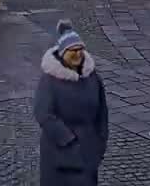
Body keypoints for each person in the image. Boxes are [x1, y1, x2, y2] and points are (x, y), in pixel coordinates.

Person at [34, 20, 108, 186]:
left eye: (80, 49)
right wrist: (69, 140)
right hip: (58, 156)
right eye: (72, 50)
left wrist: (100, 141)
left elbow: (102, 112)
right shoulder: (49, 80)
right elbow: (43, 114)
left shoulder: (92, 77)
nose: (77, 54)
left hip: (88, 153)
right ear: (62, 53)